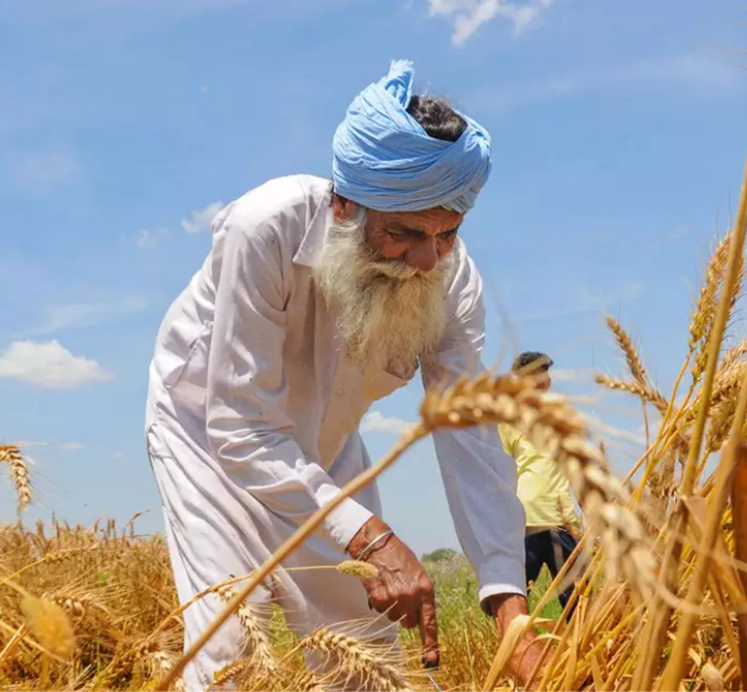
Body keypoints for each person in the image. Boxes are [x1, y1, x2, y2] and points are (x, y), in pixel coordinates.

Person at [145, 60, 546, 691]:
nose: (425, 259)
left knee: (367, 665)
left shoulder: (451, 277)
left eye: (448, 234)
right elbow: (241, 425)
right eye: (405, 233)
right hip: (209, 441)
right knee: (228, 662)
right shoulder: (265, 229)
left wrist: (509, 610)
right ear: (343, 205)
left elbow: (469, 435)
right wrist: (373, 539)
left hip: (326, 455)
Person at [499, 352, 583, 616]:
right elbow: (501, 472)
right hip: (528, 522)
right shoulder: (509, 421)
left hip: (563, 521)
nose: (540, 381)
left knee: (579, 605)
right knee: (515, 601)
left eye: (543, 373)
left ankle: (580, 655)